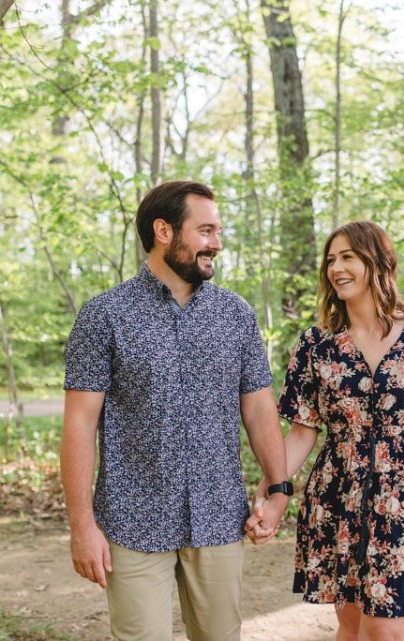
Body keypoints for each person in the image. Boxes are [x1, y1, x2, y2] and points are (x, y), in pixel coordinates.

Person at [61, 180, 291, 641]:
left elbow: (259, 408)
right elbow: (79, 424)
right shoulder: (104, 316)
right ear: (163, 231)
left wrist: (279, 487)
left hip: (218, 516)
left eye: (218, 231)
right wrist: (82, 525)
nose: (216, 243)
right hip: (132, 518)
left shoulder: (236, 315)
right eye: (205, 231)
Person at [246, 221, 404, 641]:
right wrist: (271, 490)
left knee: (386, 631)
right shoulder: (315, 345)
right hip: (339, 495)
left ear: (377, 262)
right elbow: (302, 433)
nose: (336, 268)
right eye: (330, 260)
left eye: (348, 257)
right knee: (352, 626)